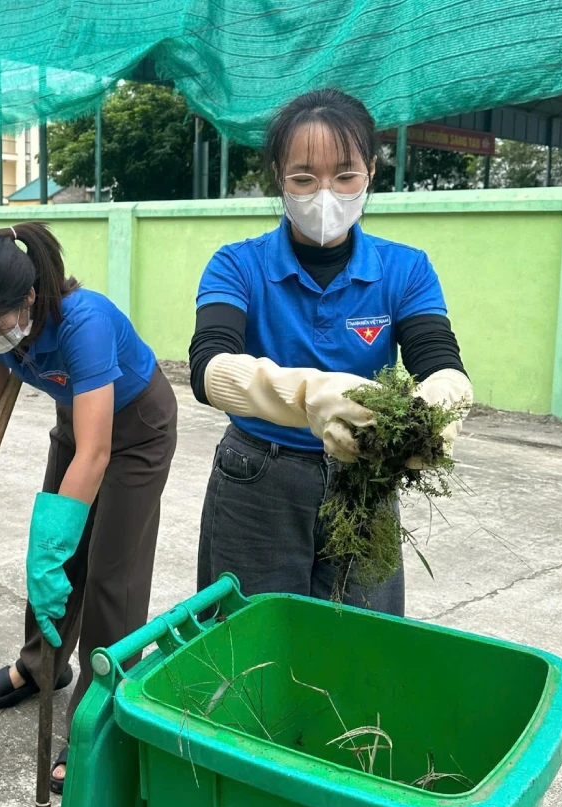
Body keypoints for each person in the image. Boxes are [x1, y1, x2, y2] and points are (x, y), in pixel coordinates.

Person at [188, 89, 473, 613]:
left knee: (359, 636)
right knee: (251, 634)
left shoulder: (406, 269)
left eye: (345, 176)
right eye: (303, 178)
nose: (325, 195)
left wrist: (440, 405)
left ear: (371, 172)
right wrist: (307, 397)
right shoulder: (237, 265)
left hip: (365, 477)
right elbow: (209, 365)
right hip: (258, 477)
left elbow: (438, 359)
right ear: (278, 175)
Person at [0, 221, 177, 793]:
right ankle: (40, 665)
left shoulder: (83, 323)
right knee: (58, 564)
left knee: (111, 573)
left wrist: (49, 546)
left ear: (28, 298)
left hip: (136, 429)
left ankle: (101, 706)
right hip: (79, 422)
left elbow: (97, 454)